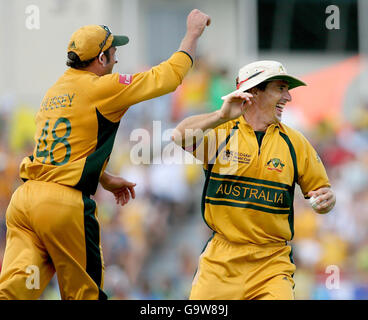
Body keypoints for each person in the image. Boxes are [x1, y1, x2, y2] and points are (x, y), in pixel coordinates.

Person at [0, 9, 211, 300]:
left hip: (24, 202)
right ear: (101, 59)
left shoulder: (54, 92)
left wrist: (104, 177)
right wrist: (192, 34)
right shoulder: (101, 87)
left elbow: (63, 152)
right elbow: (168, 77)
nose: (117, 59)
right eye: (113, 52)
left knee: (14, 293)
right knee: (85, 295)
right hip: (63, 206)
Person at [172, 60, 336, 300]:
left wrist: (327, 200)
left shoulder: (296, 143)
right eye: (281, 88)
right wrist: (220, 115)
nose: (289, 97)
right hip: (220, 263)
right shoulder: (222, 132)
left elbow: (322, 193)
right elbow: (178, 137)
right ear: (254, 91)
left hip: (271, 263)